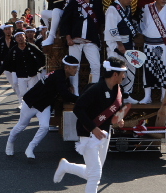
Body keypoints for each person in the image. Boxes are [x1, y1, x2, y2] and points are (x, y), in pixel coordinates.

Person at [53, 57, 128, 192]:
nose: (124, 76)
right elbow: (78, 109)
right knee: (95, 175)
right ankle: (66, 167)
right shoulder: (95, 89)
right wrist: (93, 128)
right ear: (115, 74)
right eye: (123, 73)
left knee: (92, 172)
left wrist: (118, 118)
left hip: (105, 133)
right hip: (88, 132)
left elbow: (115, 108)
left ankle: (66, 166)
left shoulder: (118, 89)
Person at [6, 56, 79, 159]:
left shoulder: (63, 77)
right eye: (74, 68)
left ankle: (30, 147)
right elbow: (65, 95)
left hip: (44, 105)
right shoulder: (59, 76)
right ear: (67, 67)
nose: (76, 70)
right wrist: (81, 99)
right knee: (21, 125)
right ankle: (10, 142)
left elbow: (63, 92)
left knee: (44, 127)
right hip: (31, 102)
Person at [60, 0, 105, 94]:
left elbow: (101, 19)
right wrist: (68, 38)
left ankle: (93, 93)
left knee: (96, 65)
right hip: (75, 40)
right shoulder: (74, 1)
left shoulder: (97, 0)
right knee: (74, 67)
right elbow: (65, 21)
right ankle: (75, 93)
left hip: (91, 39)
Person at [104, 0, 139, 103]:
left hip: (128, 44)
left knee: (131, 69)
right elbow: (112, 29)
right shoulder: (112, 9)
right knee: (115, 72)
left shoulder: (127, 8)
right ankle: (113, 97)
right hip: (116, 46)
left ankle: (126, 95)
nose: (131, 0)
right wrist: (120, 45)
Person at [6, 31, 46, 98]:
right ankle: (23, 102)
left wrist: (41, 66)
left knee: (33, 92)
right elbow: (7, 60)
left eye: (21, 36)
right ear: (15, 39)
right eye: (18, 37)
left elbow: (41, 55)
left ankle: (33, 104)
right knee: (23, 93)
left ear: (25, 37)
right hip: (21, 75)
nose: (20, 38)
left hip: (32, 73)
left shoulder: (32, 46)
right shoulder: (14, 49)